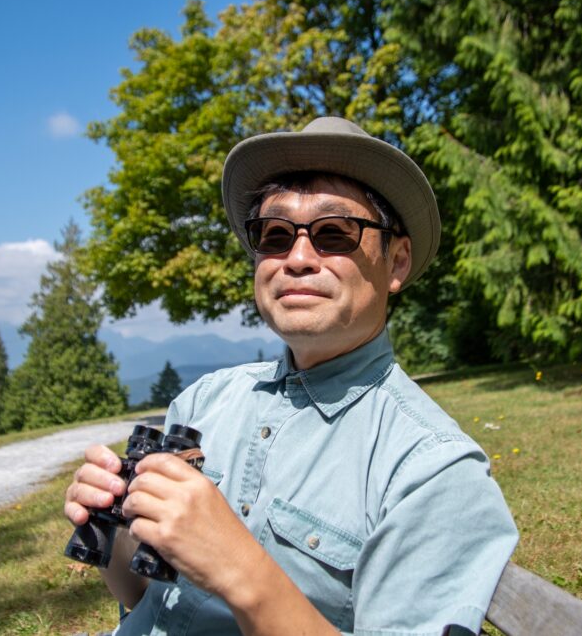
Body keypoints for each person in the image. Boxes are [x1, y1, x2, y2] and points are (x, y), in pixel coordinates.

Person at [64, 117, 518, 636]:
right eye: (274, 235)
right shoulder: (202, 404)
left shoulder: (430, 469)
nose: (297, 259)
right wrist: (110, 534)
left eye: (334, 234)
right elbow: (144, 600)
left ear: (397, 261)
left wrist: (242, 570)